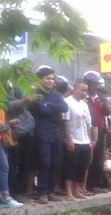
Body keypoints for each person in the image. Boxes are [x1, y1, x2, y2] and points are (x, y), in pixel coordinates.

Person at [29, 65, 68, 204]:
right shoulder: (35, 93)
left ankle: (50, 191)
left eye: (52, 79)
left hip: (56, 131)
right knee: (44, 163)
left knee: (53, 162)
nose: (51, 81)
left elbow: (64, 107)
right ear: (40, 79)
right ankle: (42, 192)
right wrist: (51, 107)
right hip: (42, 131)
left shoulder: (56, 94)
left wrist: (48, 105)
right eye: (47, 78)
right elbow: (42, 110)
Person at [63, 79, 97, 201]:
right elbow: (65, 122)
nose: (85, 93)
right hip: (74, 140)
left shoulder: (84, 104)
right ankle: (68, 192)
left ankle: (77, 190)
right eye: (82, 90)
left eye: (86, 90)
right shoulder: (67, 102)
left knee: (82, 167)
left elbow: (88, 123)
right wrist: (69, 140)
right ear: (75, 89)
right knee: (71, 166)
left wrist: (89, 140)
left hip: (84, 140)